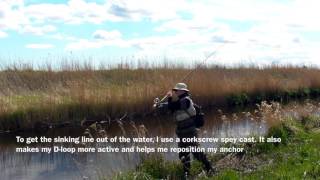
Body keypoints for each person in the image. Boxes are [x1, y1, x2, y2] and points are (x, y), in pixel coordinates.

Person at [156, 82, 214, 177]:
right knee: (183, 154)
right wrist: (158, 105)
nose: (175, 92)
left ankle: (209, 167)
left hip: (190, 130)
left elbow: (173, 105)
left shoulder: (186, 100)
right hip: (181, 132)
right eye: (175, 90)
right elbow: (167, 107)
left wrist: (169, 97)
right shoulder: (177, 101)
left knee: (196, 152)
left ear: (183, 91)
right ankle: (187, 174)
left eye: (176, 90)